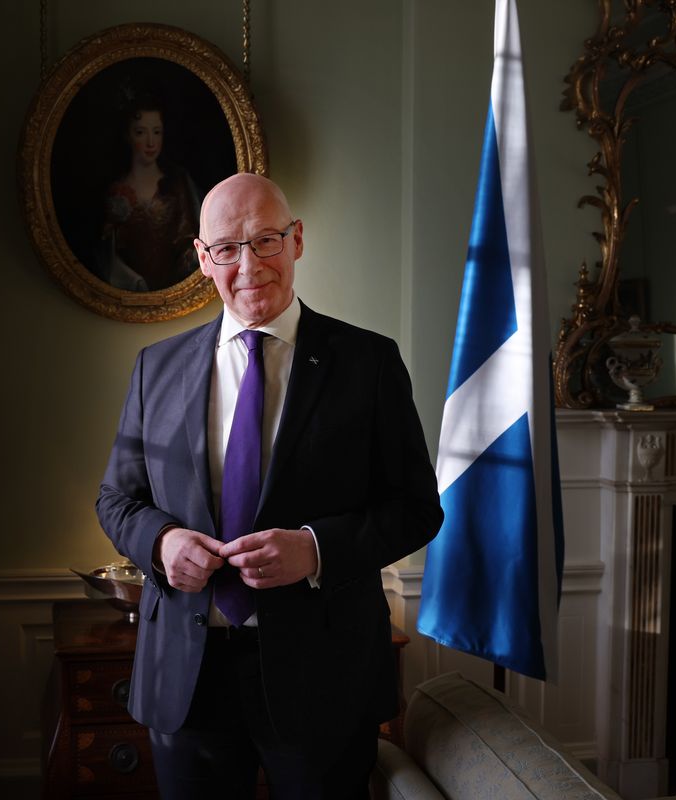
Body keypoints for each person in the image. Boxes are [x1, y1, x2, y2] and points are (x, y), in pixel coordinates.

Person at [96, 173, 443, 799]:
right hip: (187, 673)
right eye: (227, 247)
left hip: (323, 676)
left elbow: (417, 510)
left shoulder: (368, 362)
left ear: (298, 240)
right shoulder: (157, 367)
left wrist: (315, 549)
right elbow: (117, 499)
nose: (249, 264)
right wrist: (162, 542)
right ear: (203, 260)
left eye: (266, 240)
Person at [96, 98, 200, 292]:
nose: (150, 142)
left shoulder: (177, 183)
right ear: (128, 135)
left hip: (179, 291)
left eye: (157, 132)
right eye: (140, 132)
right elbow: (108, 256)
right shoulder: (116, 190)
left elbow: (187, 241)